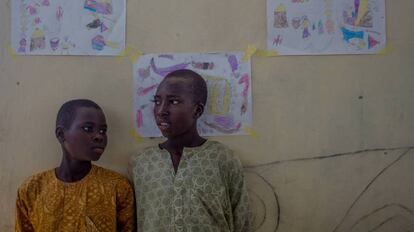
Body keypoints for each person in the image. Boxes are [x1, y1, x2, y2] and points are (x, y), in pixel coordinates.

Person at [129, 69, 251, 231]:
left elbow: (242, 222)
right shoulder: (140, 163)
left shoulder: (222, 158)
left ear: (197, 111)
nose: (161, 110)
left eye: (173, 102)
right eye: (157, 101)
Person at [15, 99, 135, 232]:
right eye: (88, 128)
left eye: (103, 130)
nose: (99, 136)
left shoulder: (117, 187)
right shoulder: (32, 189)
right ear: (61, 134)